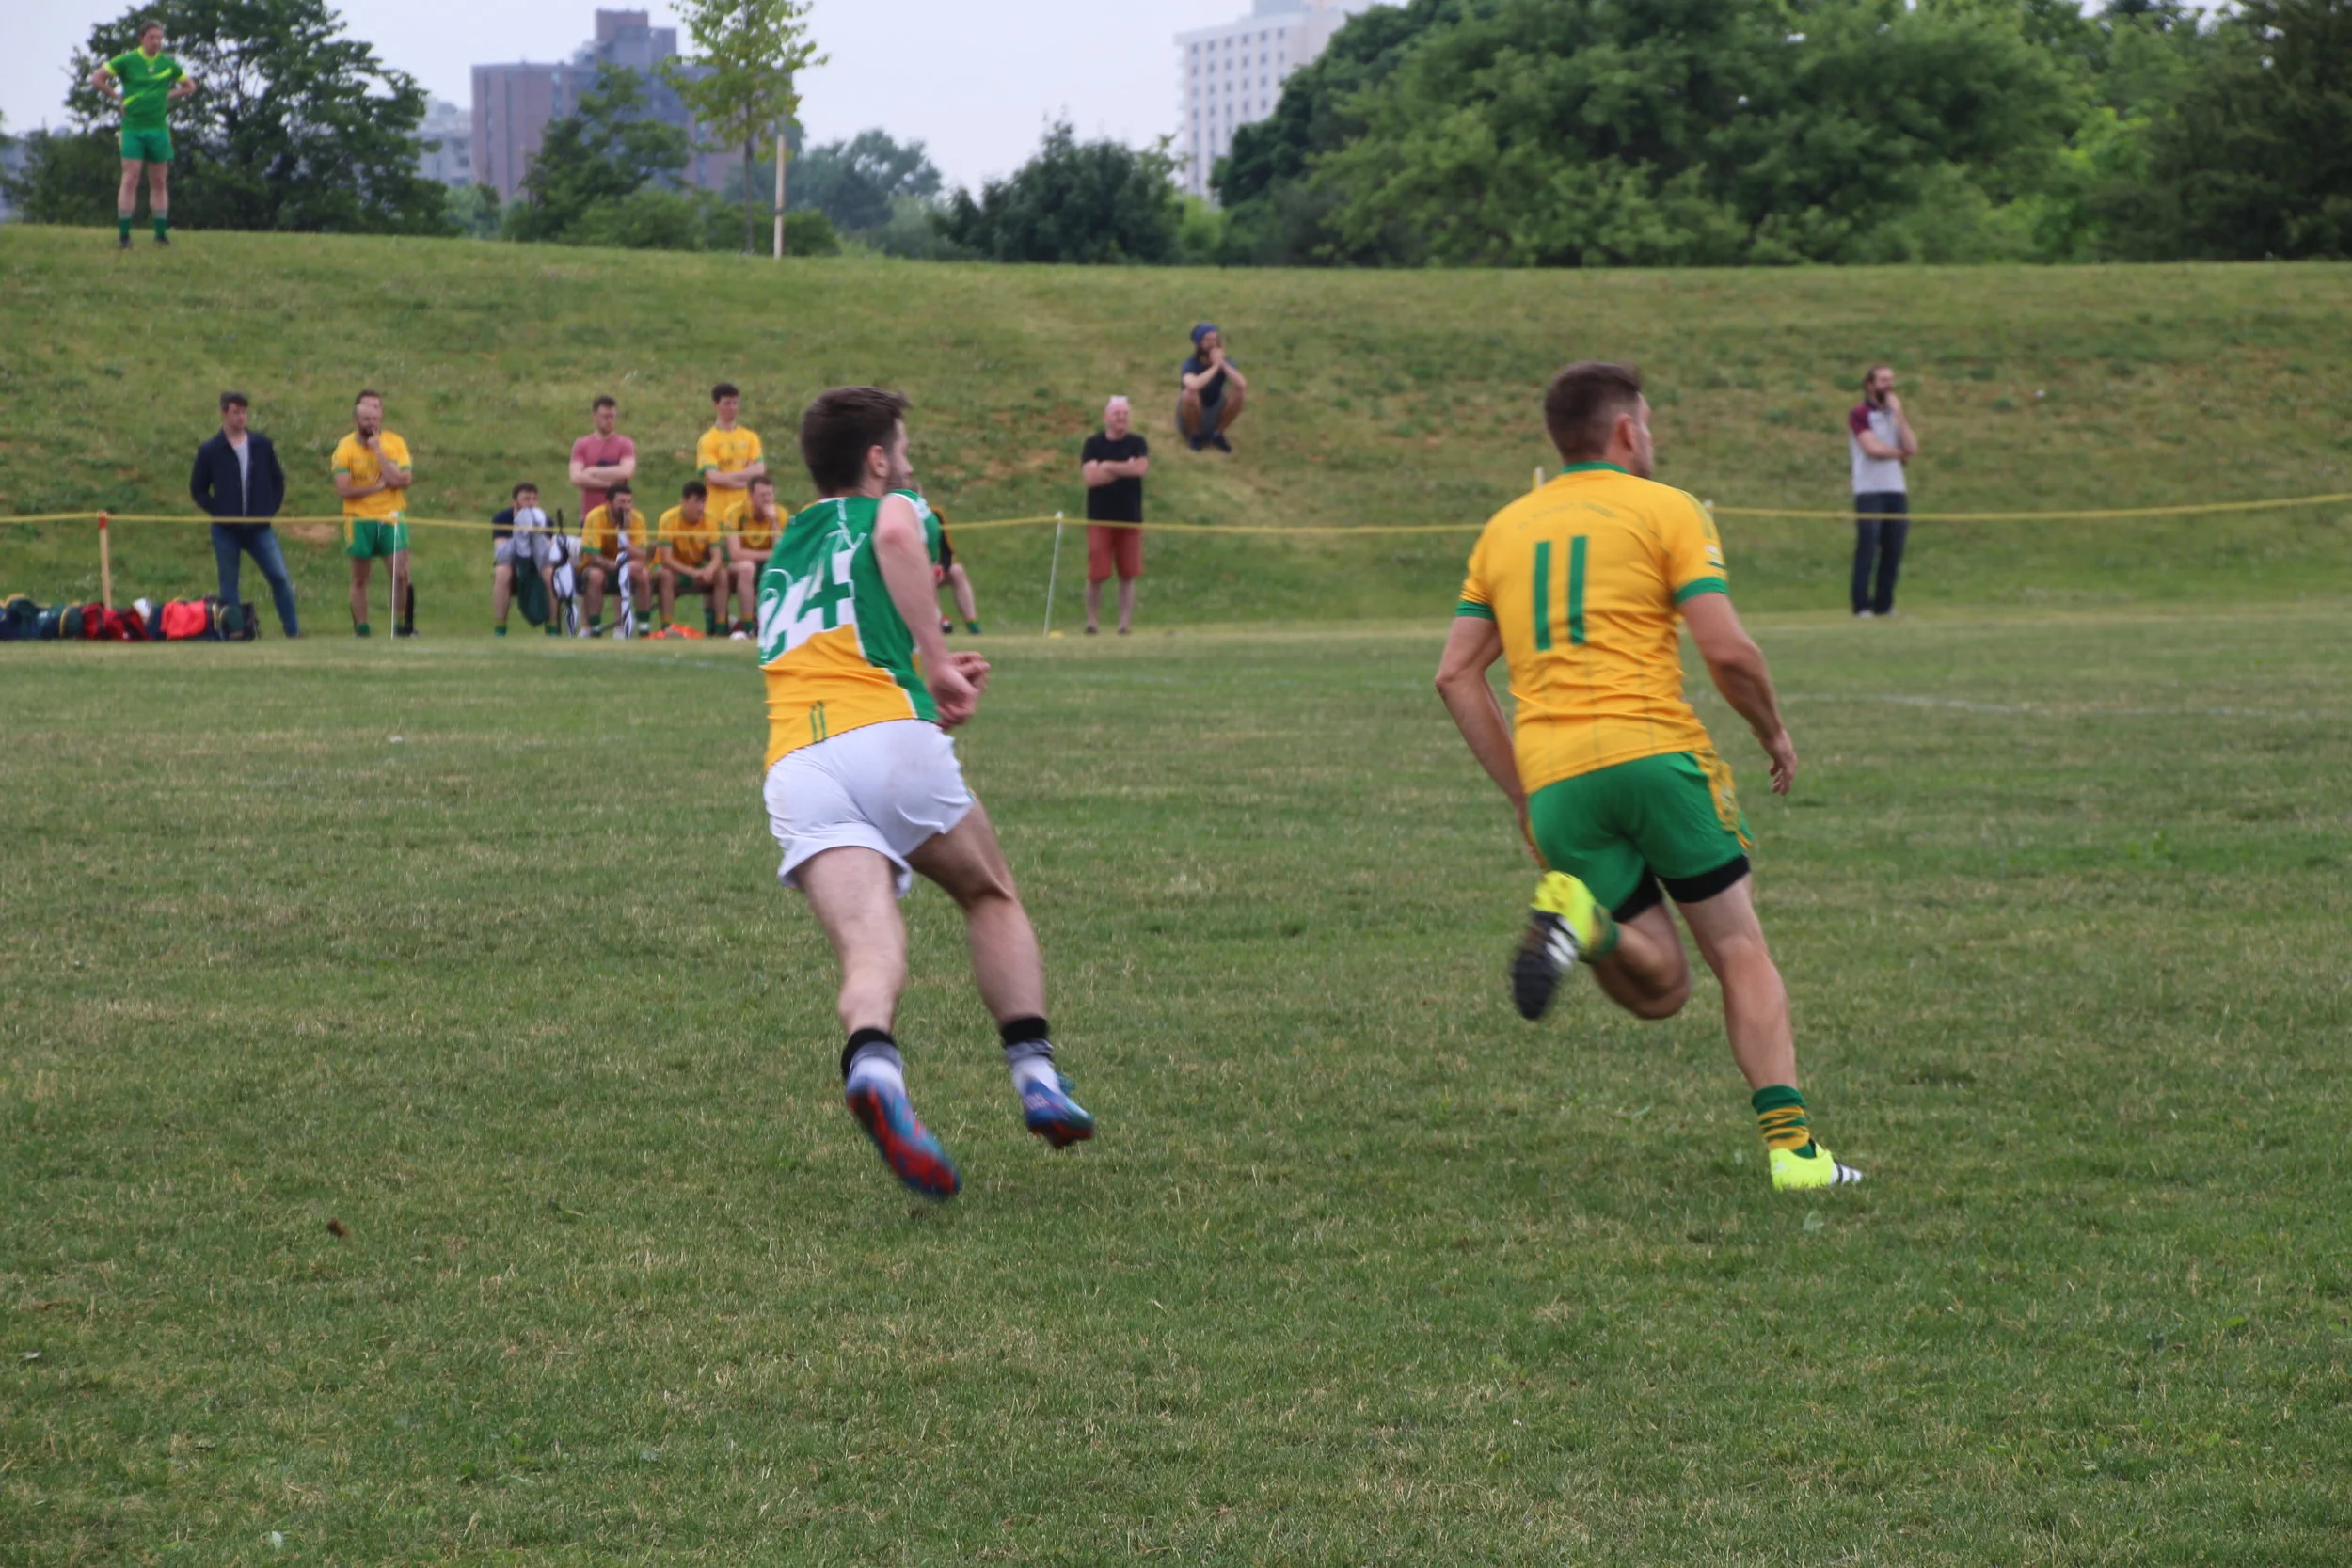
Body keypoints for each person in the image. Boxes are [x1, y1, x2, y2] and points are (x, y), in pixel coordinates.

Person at [1435, 360, 1862, 1195]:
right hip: (1656, 757)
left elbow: (1456, 675)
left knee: (1659, 988)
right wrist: (1772, 730)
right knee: (1740, 948)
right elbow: (1730, 650)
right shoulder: (1670, 508)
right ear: (1627, 431)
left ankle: (1584, 923)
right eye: (1651, 424)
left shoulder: (1504, 530)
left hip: (1558, 782)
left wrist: (1526, 794)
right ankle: (1794, 1152)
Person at [757, 386, 1094, 1200]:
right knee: (989, 892)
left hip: (797, 761)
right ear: (877, 461)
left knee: (872, 951)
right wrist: (937, 664)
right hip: (887, 734)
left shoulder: (785, 548)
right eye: (901, 452)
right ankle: (1034, 1072)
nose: (907, 464)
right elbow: (901, 532)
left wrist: (920, 675)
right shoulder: (895, 504)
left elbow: (843, 642)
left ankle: (875, 1065)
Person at [189, 390, 297, 637]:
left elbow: (277, 481)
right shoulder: (210, 449)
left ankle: (293, 629)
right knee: (229, 586)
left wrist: (269, 510)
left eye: (244, 412)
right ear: (224, 413)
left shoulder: (261, 445)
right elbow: (198, 489)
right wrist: (218, 510)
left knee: (279, 576)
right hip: (226, 530)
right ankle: (235, 632)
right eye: (235, 412)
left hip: (259, 528)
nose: (241, 417)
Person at [90, 20, 196, 250]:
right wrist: (117, 97)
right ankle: (125, 235)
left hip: (158, 129)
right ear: (142, 38)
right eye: (152, 37)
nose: (156, 42)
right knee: (130, 178)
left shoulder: (168, 65)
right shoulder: (128, 61)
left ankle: (160, 234)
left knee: (159, 181)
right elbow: (98, 78)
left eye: (160, 38)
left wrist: (168, 95)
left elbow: (190, 85)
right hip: (133, 129)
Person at [331, 389, 414, 638]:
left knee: (401, 573)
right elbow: (344, 489)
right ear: (356, 420)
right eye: (367, 420)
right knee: (360, 577)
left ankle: (401, 625)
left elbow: (403, 480)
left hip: (391, 516)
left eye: (375, 419)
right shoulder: (344, 448)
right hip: (359, 519)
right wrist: (376, 487)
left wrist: (378, 452)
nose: (371, 425)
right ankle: (362, 628)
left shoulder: (394, 443)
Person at [1848, 363, 1919, 618]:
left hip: (1895, 489)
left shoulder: (1894, 415)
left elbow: (1913, 446)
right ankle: (1861, 606)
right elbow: (1873, 449)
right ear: (1870, 384)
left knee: (1893, 547)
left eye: (1891, 380)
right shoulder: (1860, 413)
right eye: (1883, 380)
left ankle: (1884, 604)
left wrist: (1900, 415)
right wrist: (1900, 454)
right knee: (1868, 547)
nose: (1888, 385)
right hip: (1869, 490)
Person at [1079, 395, 1149, 635]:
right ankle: (1092, 622)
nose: (1121, 417)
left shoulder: (1137, 443)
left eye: (1125, 414)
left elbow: (1140, 468)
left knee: (1128, 573)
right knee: (1096, 573)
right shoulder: (1093, 444)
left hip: (1130, 518)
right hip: (1100, 517)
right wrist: (1123, 468)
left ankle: (1124, 624)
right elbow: (1090, 478)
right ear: (1106, 417)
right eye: (1117, 413)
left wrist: (1107, 466)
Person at [696, 381, 766, 540]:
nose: (732, 408)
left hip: (745, 506)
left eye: (735, 403)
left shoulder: (750, 437)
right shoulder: (708, 439)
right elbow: (713, 477)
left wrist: (728, 478)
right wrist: (745, 479)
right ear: (716, 405)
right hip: (717, 509)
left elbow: (759, 470)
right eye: (727, 403)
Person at [580, 481, 649, 637]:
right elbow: (593, 557)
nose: (626, 506)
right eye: (621, 502)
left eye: (629, 502)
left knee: (642, 573)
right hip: (599, 565)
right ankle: (594, 628)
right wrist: (618, 566)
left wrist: (624, 536)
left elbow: (642, 555)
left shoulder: (637, 519)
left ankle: (645, 629)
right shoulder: (595, 517)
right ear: (608, 503)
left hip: (624, 565)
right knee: (596, 576)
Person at [655, 481, 725, 635]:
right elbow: (666, 558)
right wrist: (692, 572)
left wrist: (708, 570)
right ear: (683, 502)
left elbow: (717, 557)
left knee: (721, 574)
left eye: (703, 502)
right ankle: (667, 628)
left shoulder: (710, 521)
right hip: (672, 569)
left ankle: (721, 627)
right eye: (696, 501)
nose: (700, 507)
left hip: (696, 569)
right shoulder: (669, 519)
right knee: (666, 576)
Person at [491, 482, 557, 637]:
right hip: (513, 561)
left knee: (550, 573)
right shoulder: (502, 518)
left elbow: (547, 555)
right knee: (502, 572)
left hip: (538, 563)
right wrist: (520, 532)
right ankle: (500, 628)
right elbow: (501, 554)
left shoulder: (545, 521)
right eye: (526, 499)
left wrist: (537, 534)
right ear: (515, 501)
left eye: (534, 499)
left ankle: (552, 627)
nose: (531, 503)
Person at [726, 474, 787, 639]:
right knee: (747, 568)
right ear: (751, 496)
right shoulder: (735, 513)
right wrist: (769, 554)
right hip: (736, 567)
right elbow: (735, 554)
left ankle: (775, 625)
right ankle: (748, 627)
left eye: (770, 494)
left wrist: (773, 521)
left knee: (782, 569)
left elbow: (782, 552)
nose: (767, 499)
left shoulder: (779, 514)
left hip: (766, 565)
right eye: (762, 495)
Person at [1177, 324, 1247, 452]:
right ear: (1198, 344)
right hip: (1190, 415)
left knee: (1239, 392)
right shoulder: (1190, 364)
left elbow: (1241, 383)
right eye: (1207, 340)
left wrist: (1222, 364)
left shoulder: (1226, 362)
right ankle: (1195, 436)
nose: (1212, 344)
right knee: (1189, 394)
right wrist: (1215, 367)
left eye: (1214, 339)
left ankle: (1217, 434)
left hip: (1214, 409)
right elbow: (1192, 385)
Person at [569, 395, 638, 520]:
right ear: (594, 417)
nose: (609, 420)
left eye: (613, 416)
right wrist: (611, 484)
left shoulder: (625, 444)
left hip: (619, 515)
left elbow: (627, 471)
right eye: (605, 416)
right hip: (589, 516)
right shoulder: (581, 444)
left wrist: (592, 472)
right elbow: (576, 477)